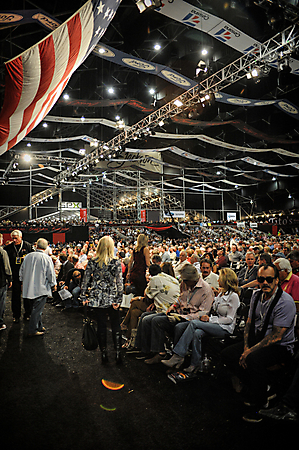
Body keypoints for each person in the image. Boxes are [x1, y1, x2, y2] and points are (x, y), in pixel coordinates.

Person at [221, 263, 296, 423]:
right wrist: (246, 346)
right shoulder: (256, 295)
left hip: (280, 347)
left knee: (252, 358)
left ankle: (261, 403)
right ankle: (261, 389)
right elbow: (249, 323)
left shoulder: (285, 302)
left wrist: (248, 352)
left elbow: (276, 336)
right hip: (258, 340)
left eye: (269, 279)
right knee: (227, 354)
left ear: (276, 280)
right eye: (261, 279)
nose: (265, 283)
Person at [131, 264, 214, 364]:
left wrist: (183, 317)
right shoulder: (184, 284)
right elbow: (180, 299)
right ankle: (147, 350)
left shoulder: (206, 290)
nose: (184, 283)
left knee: (161, 322)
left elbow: (203, 313)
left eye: (186, 281)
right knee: (148, 319)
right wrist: (173, 306)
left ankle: (162, 353)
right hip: (178, 313)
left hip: (191, 319)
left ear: (193, 279)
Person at [162, 268, 240, 373]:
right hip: (216, 323)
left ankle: (178, 355)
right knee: (197, 333)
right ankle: (195, 363)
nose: (217, 280)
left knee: (194, 323)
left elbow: (229, 319)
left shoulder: (233, 297)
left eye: (220, 278)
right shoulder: (221, 294)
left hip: (225, 328)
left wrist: (211, 320)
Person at [80, 236, 123, 364]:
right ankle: (118, 353)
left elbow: (86, 280)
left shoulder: (93, 261)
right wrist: (119, 299)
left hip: (97, 297)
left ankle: (104, 353)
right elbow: (119, 282)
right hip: (112, 297)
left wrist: (83, 296)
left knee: (101, 325)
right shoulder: (116, 262)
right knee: (116, 325)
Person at [19, 238, 57, 336]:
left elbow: (21, 271)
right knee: (37, 310)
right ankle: (33, 329)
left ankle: (39, 326)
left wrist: (22, 282)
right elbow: (51, 274)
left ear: (36, 246)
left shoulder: (28, 256)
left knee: (35, 309)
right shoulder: (46, 258)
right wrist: (53, 284)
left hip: (28, 288)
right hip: (41, 288)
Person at [4, 229, 34, 322]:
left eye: (16, 238)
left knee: (27, 296)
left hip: (26, 275)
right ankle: (16, 316)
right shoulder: (8, 248)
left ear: (21, 237)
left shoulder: (28, 247)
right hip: (14, 276)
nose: (14, 240)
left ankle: (28, 314)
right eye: (13, 238)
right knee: (15, 296)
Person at [0, 233, 12, 331]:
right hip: (1, 281)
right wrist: (10, 279)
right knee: (1, 302)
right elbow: (6, 267)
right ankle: (0, 323)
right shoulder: (2, 252)